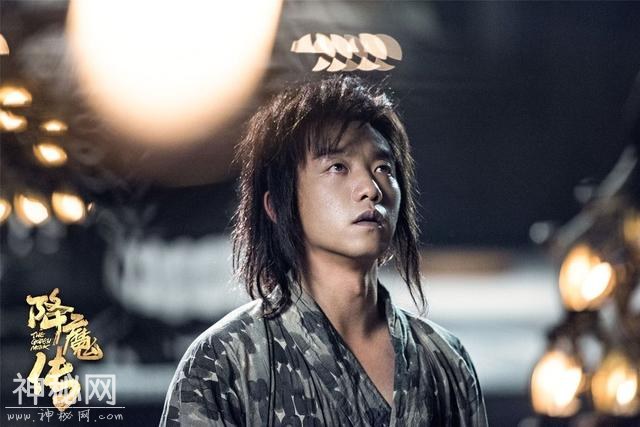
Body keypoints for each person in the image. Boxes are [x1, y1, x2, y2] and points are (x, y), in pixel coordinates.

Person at [160, 75, 488, 426]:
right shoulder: (223, 363)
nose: (371, 189)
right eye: (338, 167)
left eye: (383, 168)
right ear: (278, 205)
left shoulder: (444, 361)